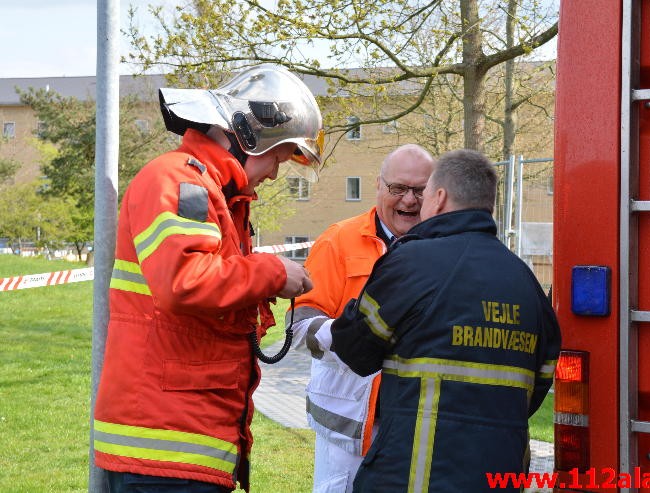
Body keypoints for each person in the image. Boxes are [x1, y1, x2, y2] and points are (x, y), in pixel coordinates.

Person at [93, 64, 322, 493]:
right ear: (249, 135)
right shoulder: (181, 180)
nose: (274, 173)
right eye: (277, 156)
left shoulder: (213, 192)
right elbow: (185, 280)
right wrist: (273, 274)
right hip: (164, 448)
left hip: (181, 442)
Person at [330, 149, 561, 492]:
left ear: (438, 198)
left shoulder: (412, 263)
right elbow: (536, 387)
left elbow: (355, 351)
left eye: (423, 196)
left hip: (410, 478)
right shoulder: (527, 284)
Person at [286, 144, 435, 492]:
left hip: (417, 424)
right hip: (348, 429)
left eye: (419, 190)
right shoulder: (339, 240)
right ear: (378, 187)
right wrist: (353, 340)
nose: (409, 200)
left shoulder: (443, 246)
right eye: (398, 188)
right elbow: (299, 324)